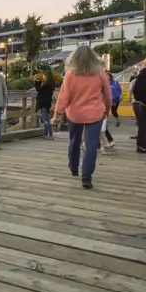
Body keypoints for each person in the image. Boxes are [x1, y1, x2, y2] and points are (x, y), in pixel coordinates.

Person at [52, 45, 111, 189]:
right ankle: (86, 177)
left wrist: (56, 114)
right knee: (91, 145)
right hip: (95, 113)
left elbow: (64, 96)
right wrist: (106, 109)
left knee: (74, 140)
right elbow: (108, 94)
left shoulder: (70, 74)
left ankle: (73, 166)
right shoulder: (99, 72)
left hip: (75, 113)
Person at [33, 71, 57, 139]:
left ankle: (50, 134)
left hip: (44, 104)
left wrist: (37, 81)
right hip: (46, 103)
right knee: (45, 119)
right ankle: (46, 133)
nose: (43, 77)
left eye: (44, 76)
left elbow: (38, 90)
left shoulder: (47, 86)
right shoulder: (50, 85)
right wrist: (39, 81)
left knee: (46, 120)